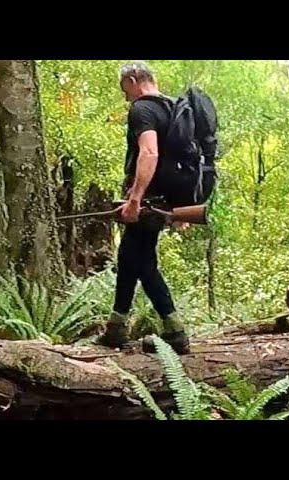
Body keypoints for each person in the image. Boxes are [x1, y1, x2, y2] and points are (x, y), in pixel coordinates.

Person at [97, 62, 193, 354]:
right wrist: (182, 205)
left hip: (148, 202)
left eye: (124, 88)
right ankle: (117, 327)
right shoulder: (173, 108)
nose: (125, 96)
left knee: (142, 263)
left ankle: (176, 333)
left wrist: (135, 199)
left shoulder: (143, 109)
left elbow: (149, 152)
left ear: (133, 79)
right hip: (166, 201)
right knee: (130, 257)